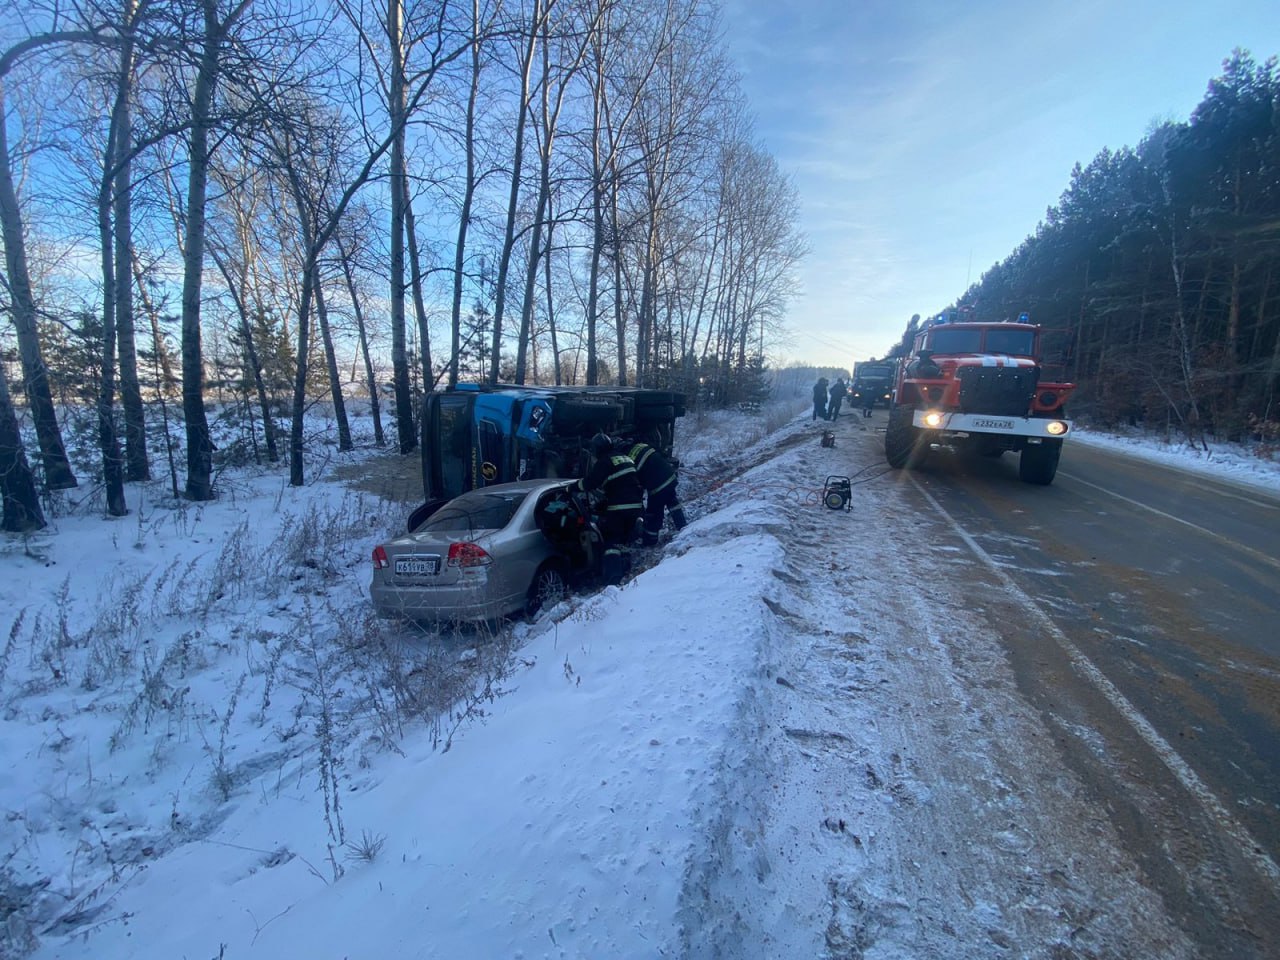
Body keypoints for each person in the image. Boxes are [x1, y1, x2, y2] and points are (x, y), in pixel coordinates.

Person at [576, 433, 644, 582]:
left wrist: (573, 487)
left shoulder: (604, 462)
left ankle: (613, 579)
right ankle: (625, 569)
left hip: (619, 508)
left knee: (611, 542)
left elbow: (590, 483)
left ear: (597, 449)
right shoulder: (624, 457)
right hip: (636, 506)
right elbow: (621, 483)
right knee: (623, 539)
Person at [627, 429, 688, 546]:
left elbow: (634, 481)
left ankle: (650, 541)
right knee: (672, 502)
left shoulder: (629, 459)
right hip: (670, 476)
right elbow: (660, 453)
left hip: (658, 486)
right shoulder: (641, 446)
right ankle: (682, 526)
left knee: (654, 513)